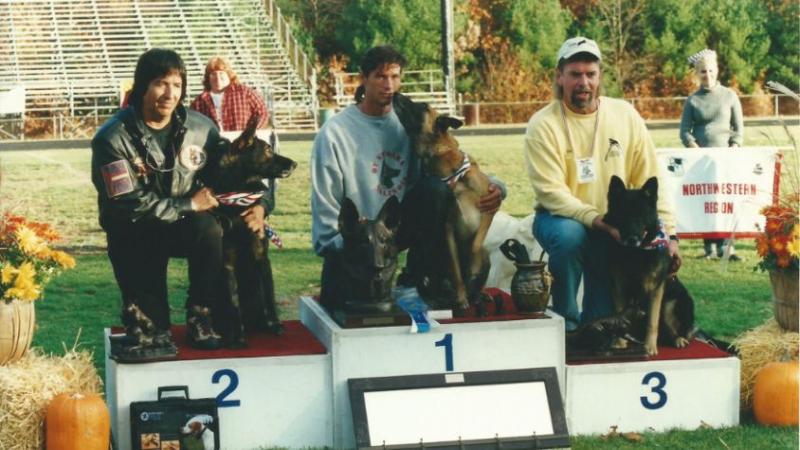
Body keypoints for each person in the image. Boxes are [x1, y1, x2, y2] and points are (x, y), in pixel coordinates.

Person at [310, 45, 503, 309]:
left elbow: (451, 164)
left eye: (395, 77)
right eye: (380, 76)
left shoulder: (409, 125)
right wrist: (352, 242)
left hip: (398, 231)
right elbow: (326, 217)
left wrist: (496, 188)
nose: (389, 85)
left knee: (435, 190)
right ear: (363, 78)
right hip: (355, 243)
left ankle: (420, 280)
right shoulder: (334, 133)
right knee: (347, 317)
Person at [524, 37, 681, 332]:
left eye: (590, 74)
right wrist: (598, 222)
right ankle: (566, 324)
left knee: (603, 319)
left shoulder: (624, 114)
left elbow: (651, 179)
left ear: (599, 77)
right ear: (559, 77)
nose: (583, 82)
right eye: (574, 74)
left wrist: (670, 235)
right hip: (560, 220)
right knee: (571, 236)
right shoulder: (542, 124)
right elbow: (551, 192)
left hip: (613, 226)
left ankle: (599, 327)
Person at [91, 49, 231, 360]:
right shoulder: (112, 139)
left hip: (183, 226)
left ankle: (201, 316)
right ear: (142, 86)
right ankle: (149, 321)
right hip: (134, 231)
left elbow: (235, 172)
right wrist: (188, 204)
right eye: (160, 83)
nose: (170, 94)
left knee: (209, 229)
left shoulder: (201, 128)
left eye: (177, 85)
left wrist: (261, 204)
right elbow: (127, 204)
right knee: (152, 338)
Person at [679, 49, 744, 261]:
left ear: (717, 70)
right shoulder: (692, 100)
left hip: (726, 159)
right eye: (703, 72)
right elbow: (684, 131)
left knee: (725, 201)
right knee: (706, 202)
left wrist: (734, 146)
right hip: (702, 160)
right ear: (697, 74)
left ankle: (728, 247)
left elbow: (738, 128)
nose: (708, 75)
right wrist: (694, 147)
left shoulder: (730, 95)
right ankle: (710, 249)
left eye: (711, 70)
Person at [190, 56, 268, 132]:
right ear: (208, 78)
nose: (217, 77)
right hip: (214, 143)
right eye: (213, 74)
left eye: (221, 73)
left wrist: (251, 133)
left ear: (229, 75)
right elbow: (193, 124)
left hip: (241, 141)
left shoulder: (244, 92)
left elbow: (262, 112)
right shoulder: (199, 102)